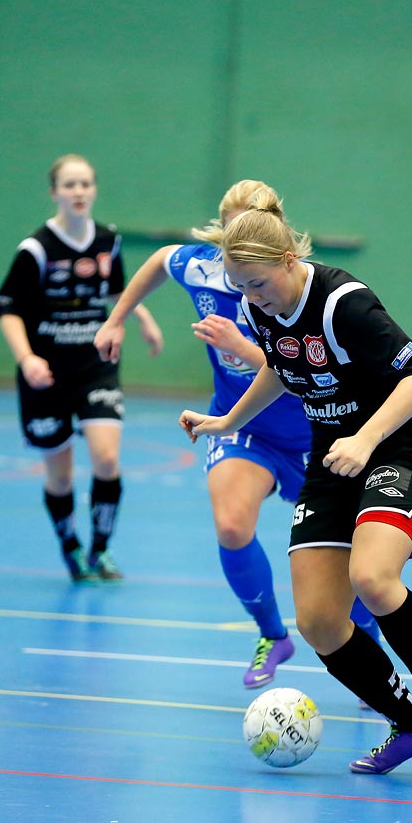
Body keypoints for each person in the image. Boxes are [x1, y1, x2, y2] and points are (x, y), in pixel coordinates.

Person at [178, 185, 412, 774]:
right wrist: (228, 421)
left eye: (256, 284)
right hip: (332, 459)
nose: (248, 297)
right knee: (318, 620)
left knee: (372, 577)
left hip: (397, 449)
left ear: (288, 261)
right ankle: (407, 723)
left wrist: (365, 439)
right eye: (239, 287)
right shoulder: (263, 306)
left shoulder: (344, 303)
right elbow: (284, 371)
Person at [94, 180, 383, 692]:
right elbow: (161, 260)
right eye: (230, 230)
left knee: (347, 566)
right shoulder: (207, 267)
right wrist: (117, 319)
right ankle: (273, 636)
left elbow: (296, 371)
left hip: (316, 434)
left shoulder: (293, 287)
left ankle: (366, 643)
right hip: (242, 427)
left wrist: (242, 347)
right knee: (231, 526)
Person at [0, 154, 162, 583]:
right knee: (60, 473)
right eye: (69, 185)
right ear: (54, 193)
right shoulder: (36, 250)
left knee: (106, 458)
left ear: (94, 189)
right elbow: (8, 310)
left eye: (85, 184)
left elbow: (119, 291)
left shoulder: (108, 240)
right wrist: (27, 358)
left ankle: (101, 550)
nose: (79, 192)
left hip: (94, 365)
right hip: (46, 373)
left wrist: (139, 319)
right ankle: (70, 546)